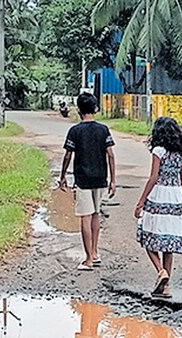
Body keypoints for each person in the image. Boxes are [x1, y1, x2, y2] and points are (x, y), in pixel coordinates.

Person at [58, 92, 116, 271]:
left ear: (79, 110)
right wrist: (113, 180)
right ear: (95, 109)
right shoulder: (103, 129)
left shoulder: (75, 131)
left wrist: (62, 176)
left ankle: (88, 258)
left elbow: (68, 155)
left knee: (85, 216)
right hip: (101, 177)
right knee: (96, 214)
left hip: (83, 179)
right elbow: (111, 155)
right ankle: (96, 252)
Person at [134, 116, 182, 299]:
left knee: (148, 237)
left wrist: (141, 201)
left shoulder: (158, 151)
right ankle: (166, 288)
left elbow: (153, 178)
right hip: (175, 197)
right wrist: (180, 199)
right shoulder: (181, 153)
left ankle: (160, 272)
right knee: (168, 243)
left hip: (158, 195)